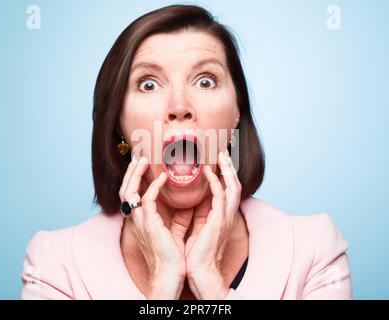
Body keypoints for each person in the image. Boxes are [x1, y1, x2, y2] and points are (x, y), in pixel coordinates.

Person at [21, 4, 352, 300]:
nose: (179, 107)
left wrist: (210, 283)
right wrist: (163, 289)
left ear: (237, 113)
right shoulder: (54, 266)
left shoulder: (314, 251)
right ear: (118, 123)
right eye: (148, 84)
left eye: (205, 81)